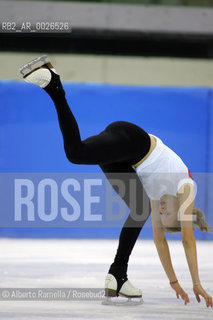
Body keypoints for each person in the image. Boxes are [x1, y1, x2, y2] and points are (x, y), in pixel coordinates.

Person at [19, 56, 212, 307]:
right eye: (167, 213)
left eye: (161, 215)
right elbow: (187, 240)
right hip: (134, 140)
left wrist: (174, 282)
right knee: (76, 154)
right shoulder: (186, 188)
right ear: (181, 213)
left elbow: (159, 241)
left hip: (126, 158)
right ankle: (54, 86)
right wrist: (197, 283)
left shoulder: (159, 201)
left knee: (139, 209)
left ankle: (117, 275)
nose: (161, 210)